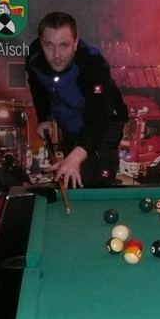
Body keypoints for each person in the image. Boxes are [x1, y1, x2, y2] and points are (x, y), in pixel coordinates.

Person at [26, 11, 128, 188]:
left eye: (64, 45)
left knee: (90, 177)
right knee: (70, 174)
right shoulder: (35, 57)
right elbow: (38, 86)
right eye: (49, 45)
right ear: (41, 43)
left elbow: (98, 115)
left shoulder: (93, 65)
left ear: (75, 43)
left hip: (105, 122)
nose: (56, 54)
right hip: (70, 123)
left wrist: (76, 156)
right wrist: (44, 117)